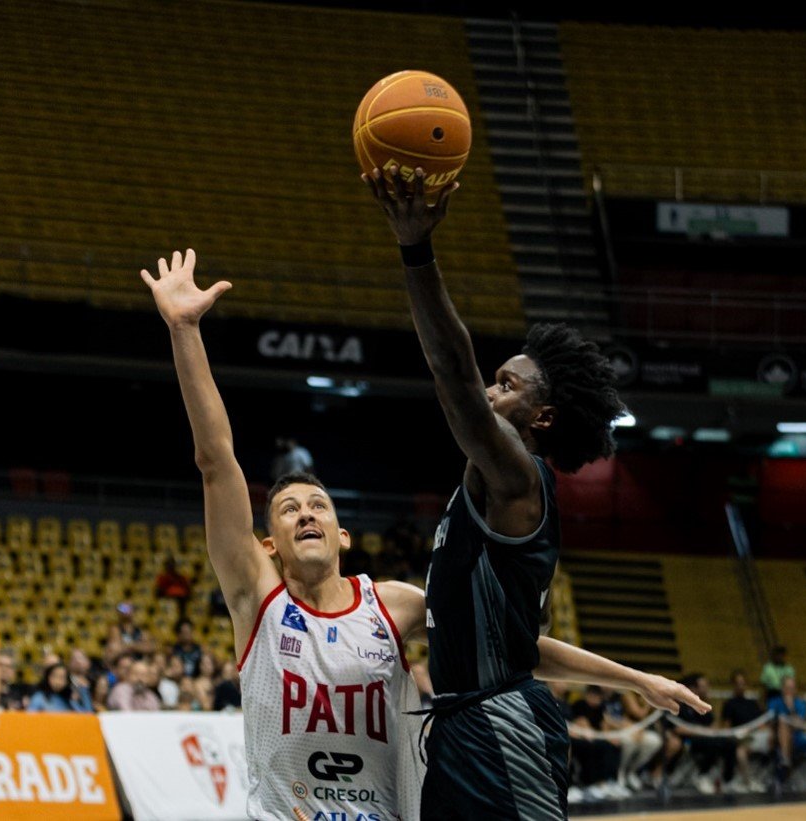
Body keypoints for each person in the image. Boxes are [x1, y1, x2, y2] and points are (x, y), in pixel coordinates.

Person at [140, 249, 708, 820]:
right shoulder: (255, 598)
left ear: (343, 536)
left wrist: (634, 678)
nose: (306, 514)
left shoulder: (390, 605)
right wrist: (185, 330)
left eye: (319, 505)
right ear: (269, 545)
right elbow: (216, 460)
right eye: (288, 510)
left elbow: (512, 649)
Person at [364, 165, 675, 818]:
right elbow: (523, 650)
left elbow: (453, 370)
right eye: (495, 380)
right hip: (469, 723)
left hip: (499, 728)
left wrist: (415, 248)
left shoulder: (516, 476)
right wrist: (634, 677)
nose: (491, 391)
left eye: (507, 384)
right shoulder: (496, 490)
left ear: (544, 417)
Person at [768, 676, 806, 794]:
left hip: (797, 738)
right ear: (782, 689)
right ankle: (785, 759)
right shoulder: (774, 702)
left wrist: (791, 708)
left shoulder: (800, 704)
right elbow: (770, 721)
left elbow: (799, 724)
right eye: (787, 688)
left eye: (792, 688)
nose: (789, 691)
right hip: (778, 739)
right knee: (783, 725)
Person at [722, 669, 769, 793]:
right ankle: (747, 781)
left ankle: (770, 779)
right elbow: (727, 728)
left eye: (743, 683)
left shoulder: (753, 703)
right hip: (741, 739)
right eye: (737, 683)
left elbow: (762, 724)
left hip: (757, 737)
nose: (740, 686)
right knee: (740, 752)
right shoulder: (729, 704)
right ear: (733, 685)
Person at [27, 662, 94, 713]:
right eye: (55, 676)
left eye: (62, 677)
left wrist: (84, 691)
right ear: (48, 678)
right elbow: (30, 719)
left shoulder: (69, 700)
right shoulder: (39, 697)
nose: (58, 681)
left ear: (67, 681)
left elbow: (88, 716)